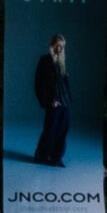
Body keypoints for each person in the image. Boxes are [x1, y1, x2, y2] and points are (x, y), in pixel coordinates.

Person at [32, 34, 72, 166]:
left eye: (62, 46)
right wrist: (49, 101)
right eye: (58, 45)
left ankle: (56, 158)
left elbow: (64, 83)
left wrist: (67, 99)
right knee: (50, 129)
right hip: (52, 103)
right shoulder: (44, 61)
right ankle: (41, 156)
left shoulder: (61, 62)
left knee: (62, 130)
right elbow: (39, 83)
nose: (60, 49)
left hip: (64, 102)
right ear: (52, 45)